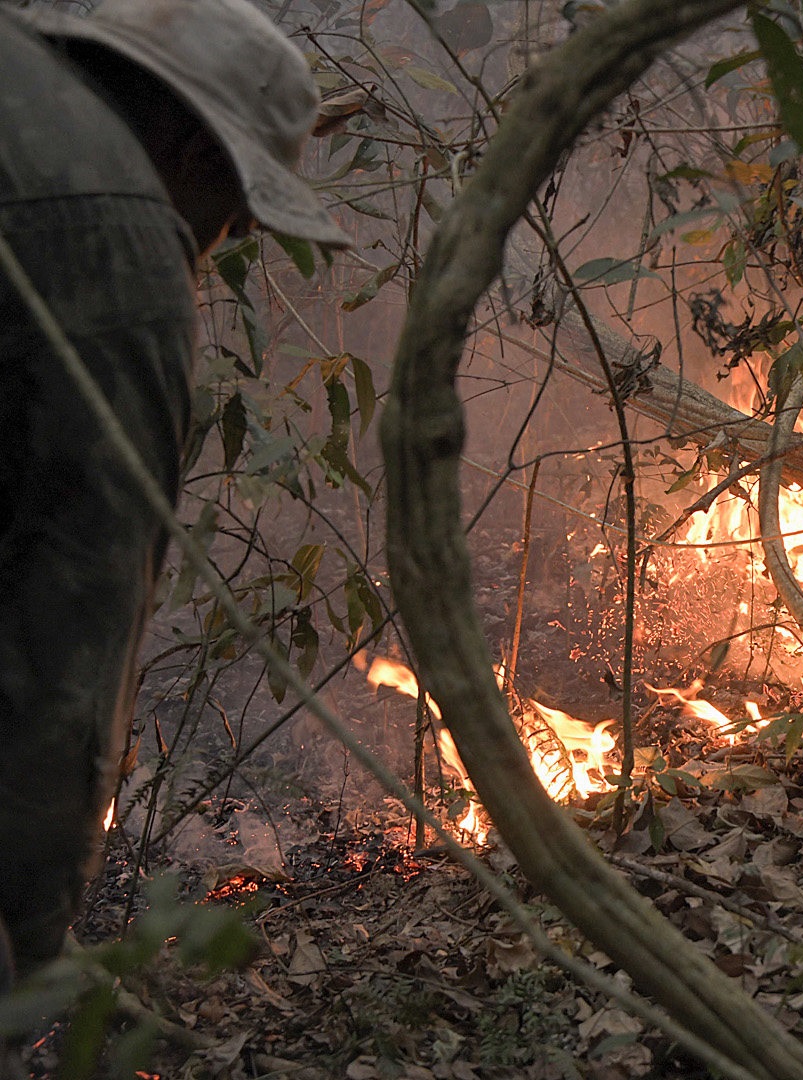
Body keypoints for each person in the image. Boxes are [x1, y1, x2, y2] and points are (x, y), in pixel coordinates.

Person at [0, 0, 349, 1009]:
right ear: (195, 143)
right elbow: (63, 633)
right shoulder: (108, 223)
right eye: (236, 214)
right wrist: (23, 949)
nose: (222, 244)